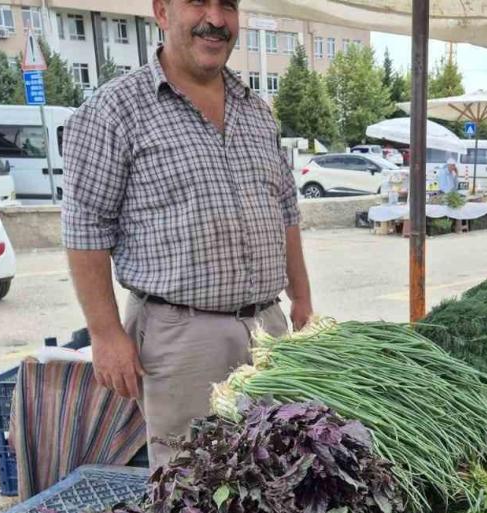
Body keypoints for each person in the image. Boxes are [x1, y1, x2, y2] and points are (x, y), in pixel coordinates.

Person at [61, 0, 313, 470]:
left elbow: (285, 211)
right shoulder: (115, 111)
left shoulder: (257, 111)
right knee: (192, 485)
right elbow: (85, 227)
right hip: (182, 336)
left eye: (229, 6)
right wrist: (106, 333)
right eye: (198, 1)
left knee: (279, 473)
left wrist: (302, 301)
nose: (215, 19)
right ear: (162, 11)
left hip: (268, 328)